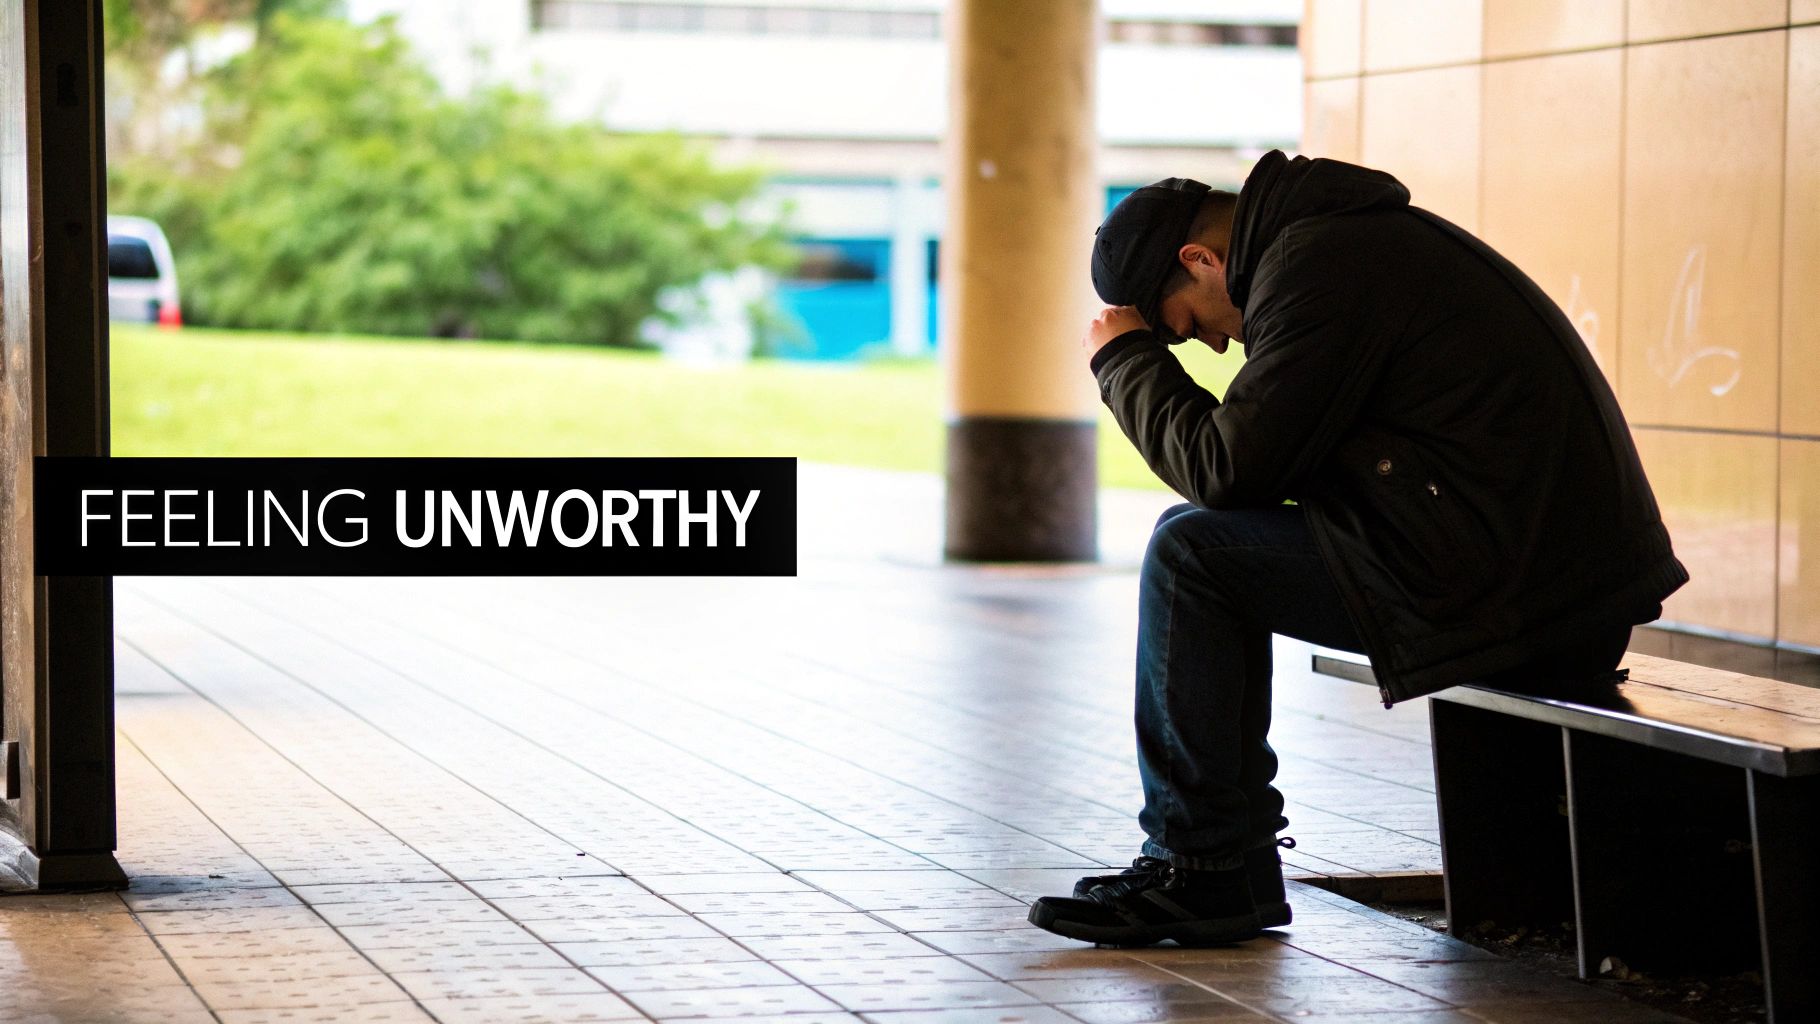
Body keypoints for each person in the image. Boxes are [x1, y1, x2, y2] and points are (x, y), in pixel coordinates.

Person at [1025, 151, 1688, 948]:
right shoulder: (1336, 245)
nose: (1213, 347)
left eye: (1189, 325)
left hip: (1521, 582)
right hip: (1525, 563)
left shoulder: (1320, 266)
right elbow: (1260, 464)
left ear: (1199, 260)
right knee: (1190, 541)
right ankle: (1213, 858)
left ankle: (1205, 866)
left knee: (1194, 554)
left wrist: (1126, 359)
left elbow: (1227, 468)